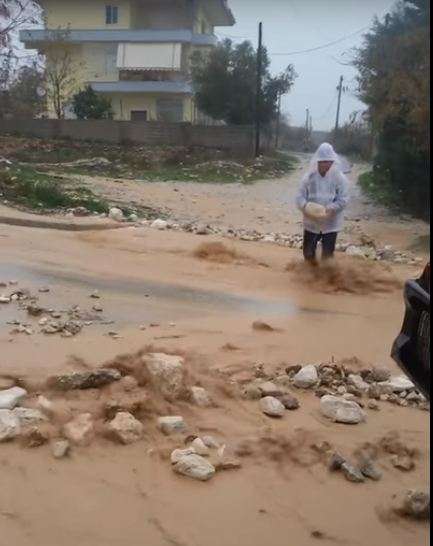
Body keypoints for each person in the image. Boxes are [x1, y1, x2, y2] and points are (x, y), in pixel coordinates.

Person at [296, 142, 350, 264]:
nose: (327, 164)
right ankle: (310, 274)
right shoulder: (308, 178)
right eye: (324, 161)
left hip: (331, 222)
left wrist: (331, 208)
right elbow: (299, 197)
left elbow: (344, 199)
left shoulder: (339, 178)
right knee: (308, 252)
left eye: (329, 161)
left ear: (333, 162)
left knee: (327, 254)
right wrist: (306, 207)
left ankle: (326, 277)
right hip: (311, 221)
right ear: (318, 161)